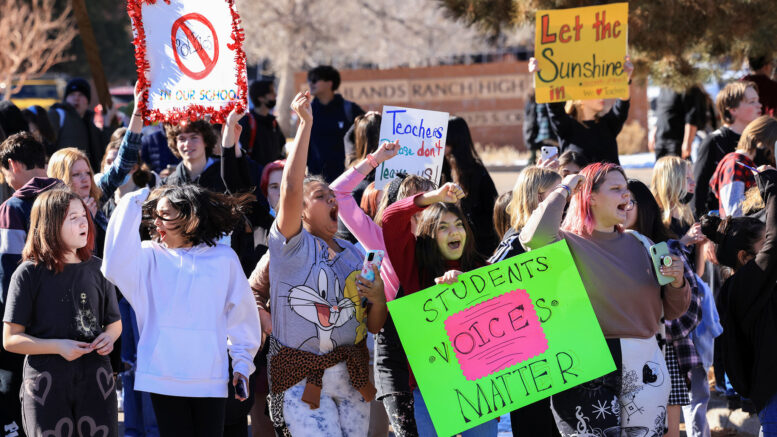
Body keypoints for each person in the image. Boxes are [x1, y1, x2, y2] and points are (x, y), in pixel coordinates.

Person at [520, 162, 690, 436]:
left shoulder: (642, 244)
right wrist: (565, 187)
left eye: (627, 190)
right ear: (590, 196)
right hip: (587, 363)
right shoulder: (565, 242)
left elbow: (673, 311)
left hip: (644, 360)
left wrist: (678, 282)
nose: (627, 195)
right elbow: (532, 237)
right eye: (616, 189)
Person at [101, 181, 262, 437]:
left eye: (164, 216)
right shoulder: (148, 255)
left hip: (210, 379)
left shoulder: (224, 258)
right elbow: (112, 266)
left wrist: (242, 366)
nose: (156, 223)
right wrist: (131, 202)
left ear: (191, 218)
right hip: (162, 377)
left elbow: (242, 316)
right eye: (155, 216)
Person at [266, 91, 384, 436]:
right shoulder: (291, 246)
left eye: (333, 196)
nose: (332, 199)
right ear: (300, 211)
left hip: (352, 377)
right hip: (303, 380)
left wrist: (377, 298)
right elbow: (289, 186)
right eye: (321, 196)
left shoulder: (355, 253)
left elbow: (374, 325)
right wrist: (306, 124)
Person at [382, 179, 499, 436]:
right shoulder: (414, 269)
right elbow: (390, 219)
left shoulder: (483, 271)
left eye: (459, 225)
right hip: (429, 388)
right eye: (443, 227)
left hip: (480, 389)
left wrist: (467, 290)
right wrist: (432, 197)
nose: (454, 232)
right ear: (429, 235)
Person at [2, 189, 122, 437]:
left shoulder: (100, 268)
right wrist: (58, 346)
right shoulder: (28, 273)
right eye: (73, 217)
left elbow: (115, 323)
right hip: (46, 383)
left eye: (84, 216)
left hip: (96, 380)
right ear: (50, 224)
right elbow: (11, 339)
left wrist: (109, 337)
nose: (84, 222)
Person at [623, 179, 705, 437]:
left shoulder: (665, 249)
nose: (621, 207)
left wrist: (676, 285)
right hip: (619, 358)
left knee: (667, 432)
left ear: (644, 207)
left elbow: (691, 312)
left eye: (628, 202)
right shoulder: (601, 250)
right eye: (616, 201)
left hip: (661, 354)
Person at [698, 168, 777, 435]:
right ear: (744, 257)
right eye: (762, 245)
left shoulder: (757, 282)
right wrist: (772, 191)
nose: (768, 250)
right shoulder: (742, 287)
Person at [486, 166, 561, 437]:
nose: (566, 201)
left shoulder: (561, 237)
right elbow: (485, 285)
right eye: (558, 195)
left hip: (563, 355)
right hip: (528, 360)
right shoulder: (516, 240)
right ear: (538, 199)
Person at [0, 132, 60, 437]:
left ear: (12, 164)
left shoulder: (14, 206)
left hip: (26, 325)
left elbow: (9, 271)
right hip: (68, 316)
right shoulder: (69, 198)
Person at [529, 56, 634, 165]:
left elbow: (622, 104)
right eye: (595, 91)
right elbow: (553, 104)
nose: (601, 94)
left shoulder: (608, 124)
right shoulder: (566, 127)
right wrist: (541, 73)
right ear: (580, 97)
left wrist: (625, 78)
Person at [693, 81, 762, 216]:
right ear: (732, 109)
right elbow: (698, 191)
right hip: (722, 226)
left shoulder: (761, 142)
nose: (759, 105)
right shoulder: (714, 141)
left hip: (758, 227)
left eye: (758, 100)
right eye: (752, 101)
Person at [441, 116, 499, 255]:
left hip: (477, 247)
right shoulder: (442, 166)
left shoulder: (476, 172)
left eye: (443, 139)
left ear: (454, 139)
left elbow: (490, 214)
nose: (438, 143)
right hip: (452, 243)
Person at [710, 115, 777, 218]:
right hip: (741, 232)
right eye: (772, 147)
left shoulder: (747, 164)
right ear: (761, 142)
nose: (772, 154)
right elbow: (733, 211)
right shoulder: (734, 164)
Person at [306, 65, 365, 182]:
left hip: (347, 179)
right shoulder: (308, 111)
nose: (310, 84)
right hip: (317, 181)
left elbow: (367, 133)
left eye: (315, 80)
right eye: (309, 80)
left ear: (329, 83)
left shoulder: (349, 109)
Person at [48, 78, 118, 170]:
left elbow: (103, 150)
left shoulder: (89, 122)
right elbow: (47, 146)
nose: (76, 98)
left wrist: (107, 123)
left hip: (86, 177)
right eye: (72, 94)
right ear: (66, 98)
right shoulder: (58, 115)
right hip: (62, 175)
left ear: (87, 101)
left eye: (81, 95)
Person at [239, 78, 287, 167]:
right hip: (254, 178)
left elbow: (281, 148)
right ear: (261, 98)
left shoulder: (273, 122)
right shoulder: (247, 122)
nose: (275, 95)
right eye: (271, 92)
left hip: (273, 177)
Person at [651, 85, 707, 159]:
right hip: (660, 141)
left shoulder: (687, 87)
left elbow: (691, 119)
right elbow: (661, 113)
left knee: (677, 169)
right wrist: (653, 135)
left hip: (676, 143)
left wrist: (688, 143)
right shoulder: (664, 87)